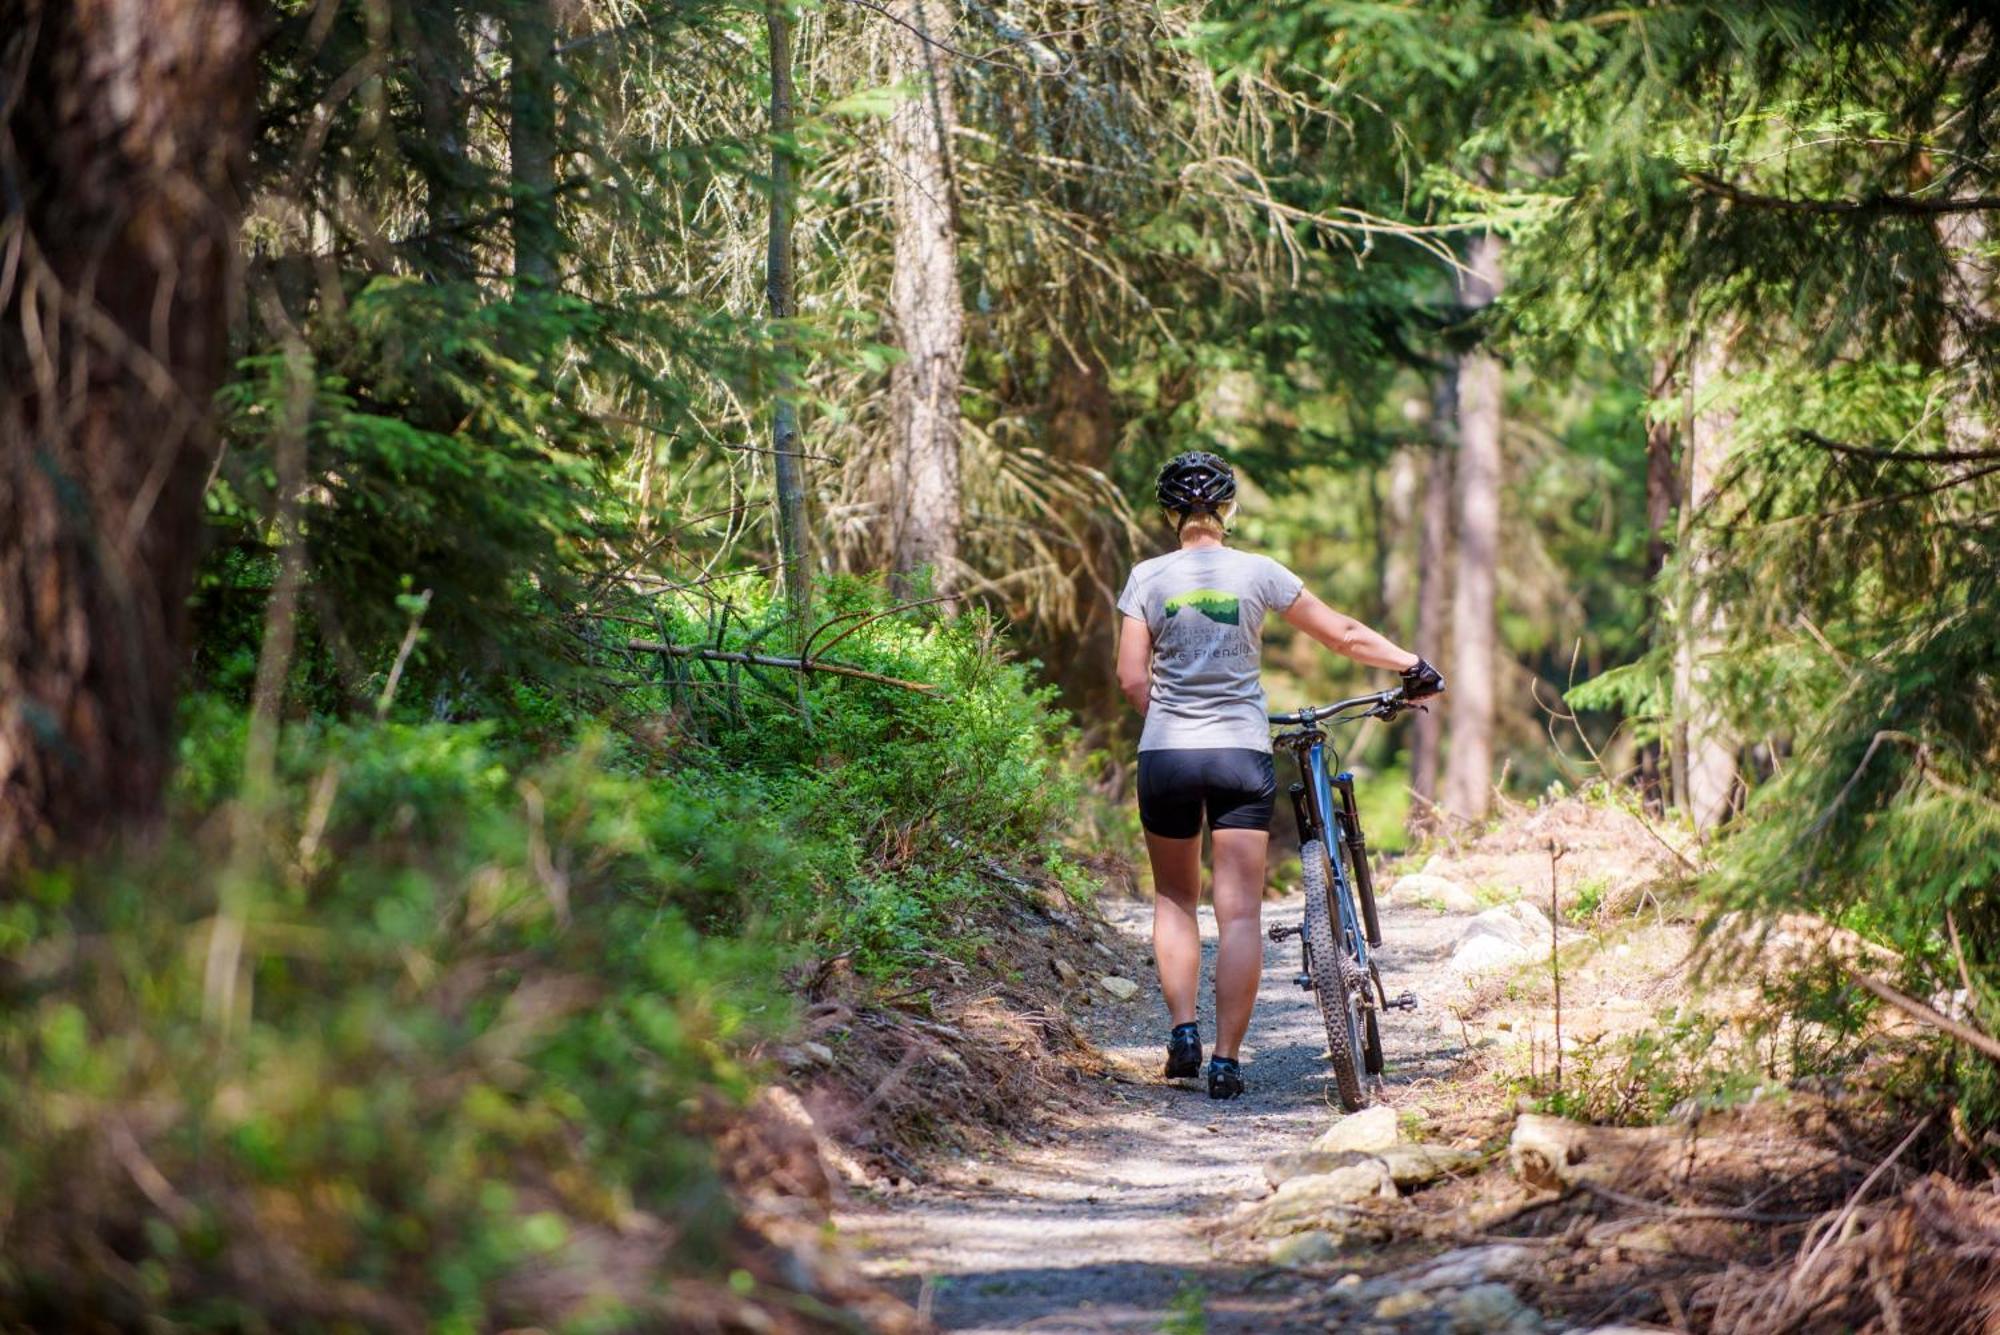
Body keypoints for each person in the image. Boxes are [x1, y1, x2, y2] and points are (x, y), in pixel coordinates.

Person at [1114, 451, 1444, 1100]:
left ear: (1169, 513)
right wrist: (1411, 664)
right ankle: (1228, 1061)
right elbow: (1343, 635)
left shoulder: (1146, 577)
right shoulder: (1258, 572)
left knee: (1176, 899)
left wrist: (1170, 725)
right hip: (1241, 752)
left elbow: (1130, 677)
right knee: (1238, 914)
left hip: (1167, 756)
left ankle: (1184, 1030)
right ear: (1227, 511)